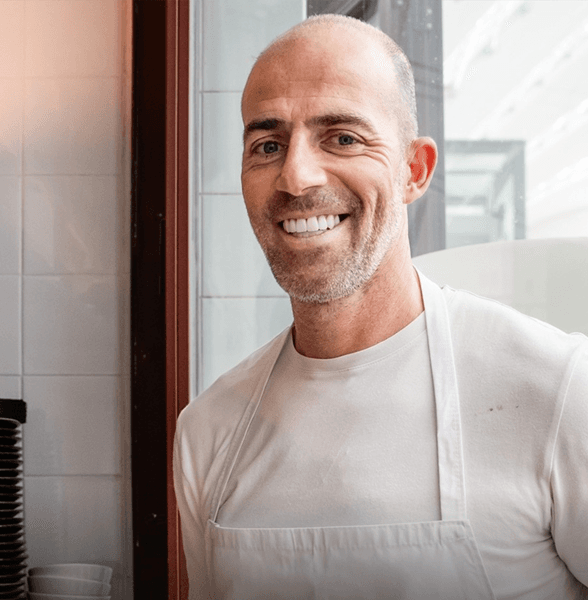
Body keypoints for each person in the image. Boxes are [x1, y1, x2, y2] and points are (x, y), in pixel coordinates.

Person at [173, 14, 588, 600]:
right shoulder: (208, 431)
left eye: (343, 138)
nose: (295, 176)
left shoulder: (558, 391)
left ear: (414, 170)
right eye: (267, 145)